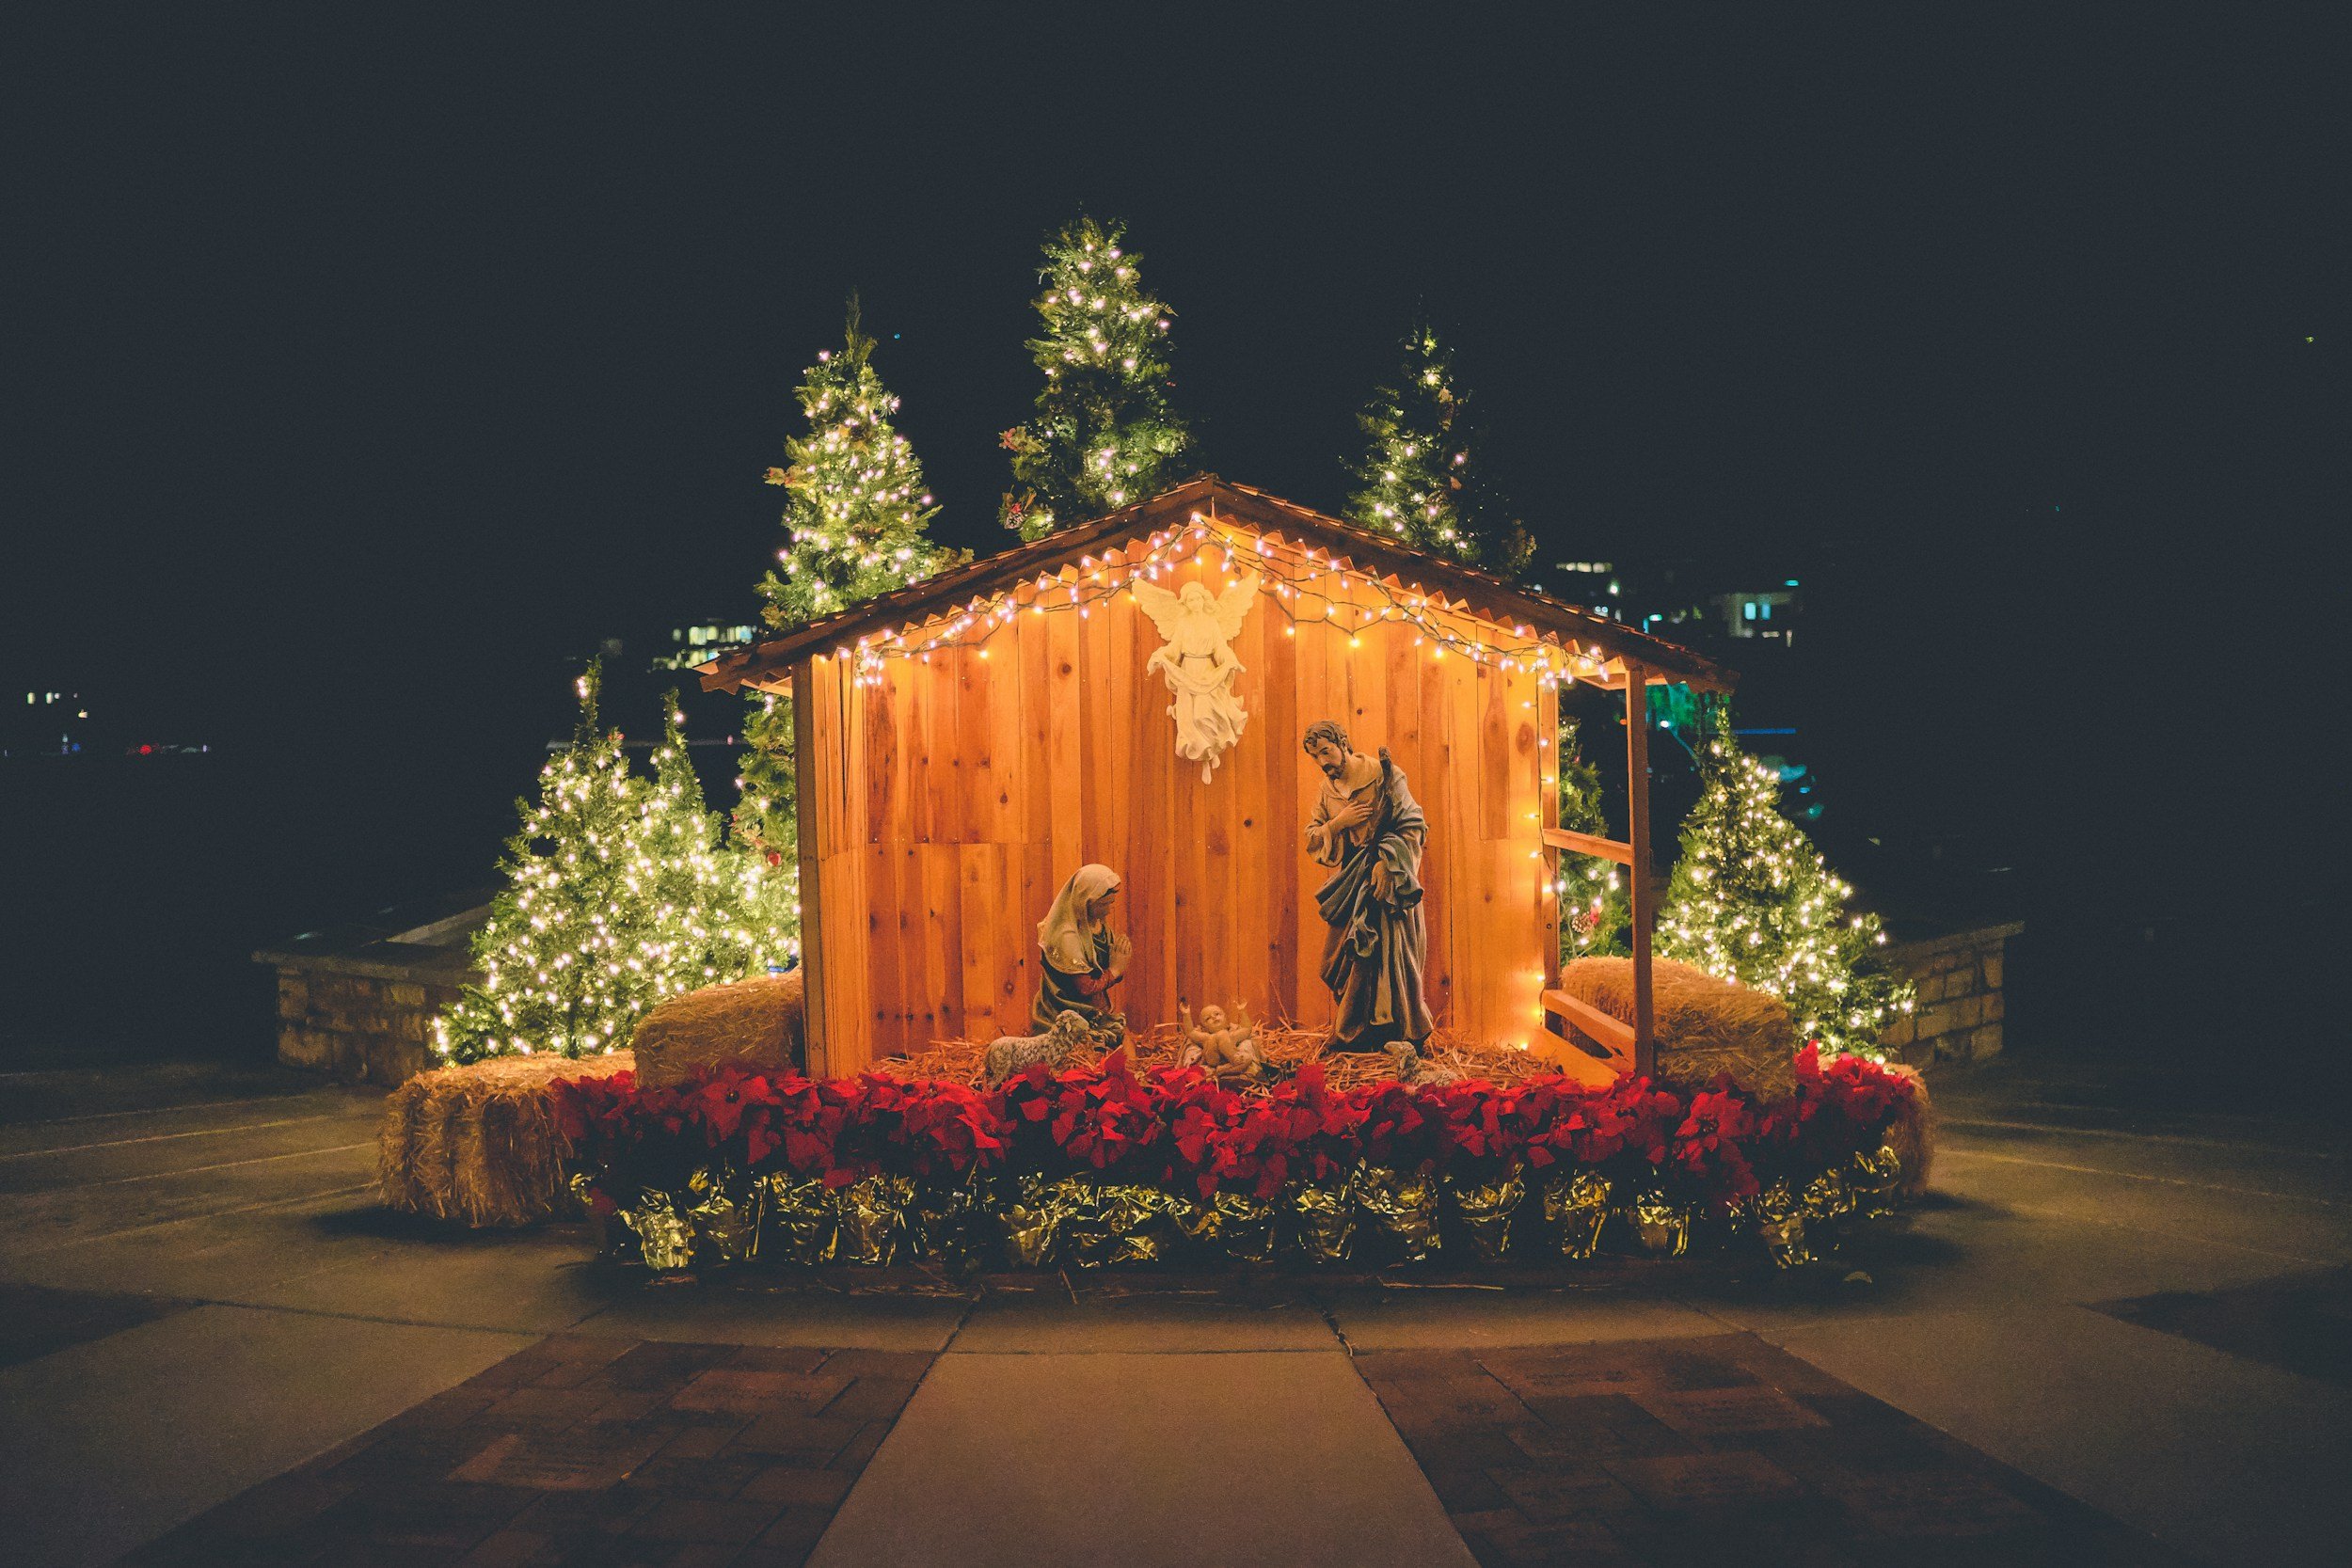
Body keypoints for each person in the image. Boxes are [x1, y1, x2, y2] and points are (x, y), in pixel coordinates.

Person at [1302, 720, 1433, 1051]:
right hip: (1352, 882)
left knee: (1394, 954)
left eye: (1327, 752)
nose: (1323, 762)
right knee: (1348, 956)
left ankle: (1403, 1033)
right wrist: (1338, 823)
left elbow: (1413, 824)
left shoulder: (1384, 775)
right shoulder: (1326, 791)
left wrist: (1389, 865)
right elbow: (1312, 837)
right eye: (1316, 756)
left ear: (1343, 744)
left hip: (1391, 884)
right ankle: (1356, 1033)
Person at [1031, 863, 1131, 1041]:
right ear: (1084, 901)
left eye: (1110, 904)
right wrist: (1115, 970)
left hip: (1093, 1009)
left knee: (1120, 1037)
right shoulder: (1067, 935)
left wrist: (1119, 955)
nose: (1108, 911)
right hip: (1066, 1012)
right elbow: (1085, 988)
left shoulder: (1094, 923)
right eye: (1103, 905)